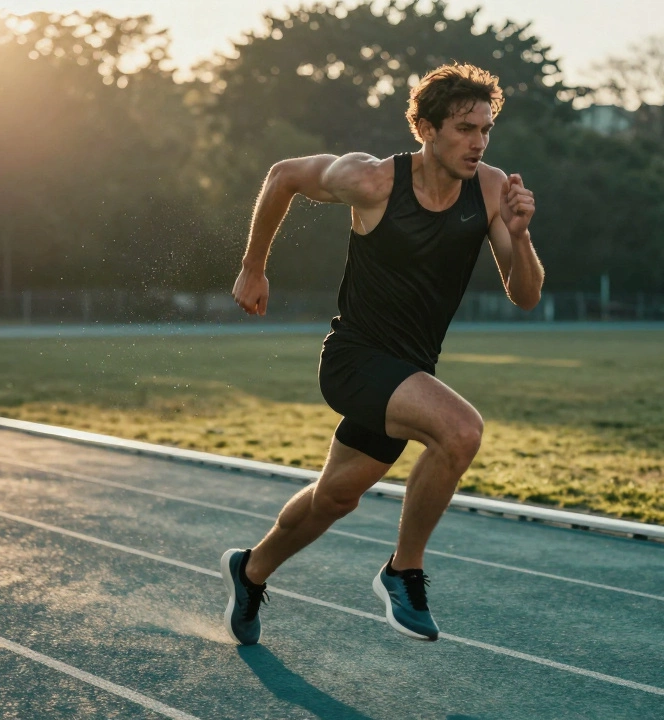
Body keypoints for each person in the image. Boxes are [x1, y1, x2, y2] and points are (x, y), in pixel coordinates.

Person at [222, 63, 543, 645]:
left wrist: (520, 237)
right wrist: (252, 266)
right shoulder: (371, 181)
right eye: (465, 129)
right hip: (354, 360)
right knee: (461, 431)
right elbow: (283, 175)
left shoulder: (491, 189)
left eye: (486, 130)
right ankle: (403, 570)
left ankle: (250, 571)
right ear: (425, 128)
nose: (478, 142)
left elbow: (524, 295)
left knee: (335, 497)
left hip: (408, 374)